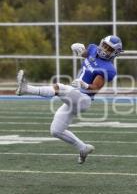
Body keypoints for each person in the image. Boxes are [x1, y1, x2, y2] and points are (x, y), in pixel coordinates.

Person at [16, 35, 123, 164]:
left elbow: (95, 88)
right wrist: (79, 50)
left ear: (114, 53)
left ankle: (26, 89)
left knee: (59, 88)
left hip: (84, 98)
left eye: (109, 49)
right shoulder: (93, 49)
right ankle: (83, 147)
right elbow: (86, 55)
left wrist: (85, 85)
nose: (104, 50)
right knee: (56, 130)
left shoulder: (109, 69)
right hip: (75, 94)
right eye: (104, 45)